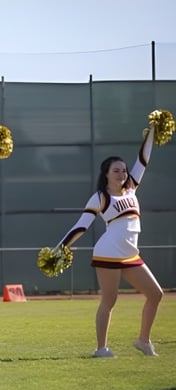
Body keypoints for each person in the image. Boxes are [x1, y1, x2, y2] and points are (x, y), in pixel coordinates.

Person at [53, 126, 163, 358]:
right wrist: (61, 247)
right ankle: (101, 348)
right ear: (106, 174)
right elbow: (81, 225)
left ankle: (143, 341)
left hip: (131, 254)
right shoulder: (101, 197)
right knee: (109, 300)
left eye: (124, 170)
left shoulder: (131, 188)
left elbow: (143, 159)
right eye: (116, 171)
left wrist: (152, 130)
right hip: (108, 253)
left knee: (155, 294)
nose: (122, 174)